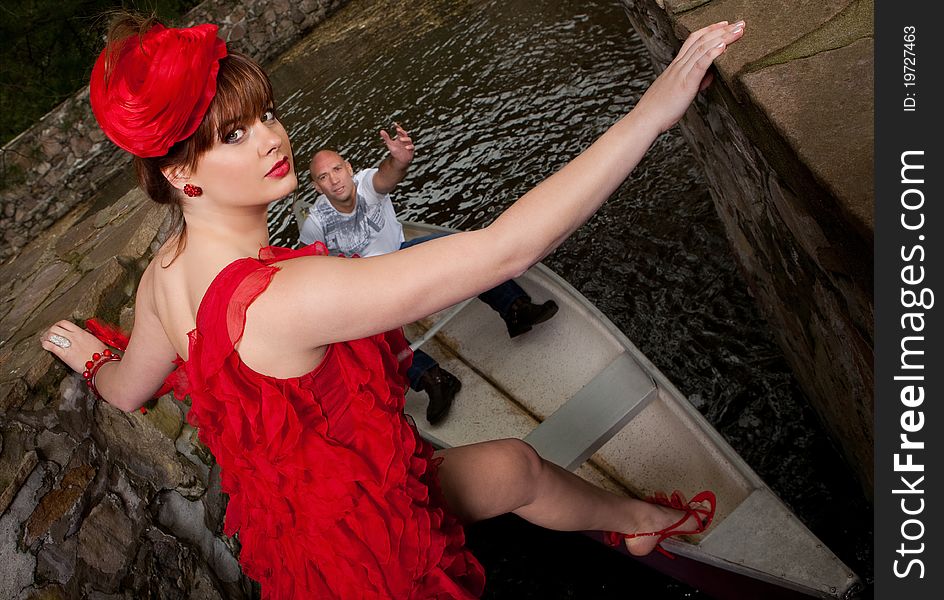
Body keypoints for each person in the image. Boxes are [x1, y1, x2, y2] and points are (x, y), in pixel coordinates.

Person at [42, 12, 744, 600]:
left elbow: (129, 387)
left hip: (314, 533)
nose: (271, 139)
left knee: (515, 468)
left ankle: (637, 519)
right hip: (373, 559)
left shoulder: (164, 276)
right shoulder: (284, 296)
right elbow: (502, 252)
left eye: (267, 114)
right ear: (178, 171)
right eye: (233, 134)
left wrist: (94, 357)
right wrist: (651, 114)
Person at [300, 128, 559, 425]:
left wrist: (400, 160)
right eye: (323, 177)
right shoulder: (315, 224)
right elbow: (316, 272)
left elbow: (388, 174)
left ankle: (515, 309)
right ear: (317, 187)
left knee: (462, 250)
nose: (334, 180)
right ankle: (434, 378)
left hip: (402, 254)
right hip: (368, 285)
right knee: (361, 334)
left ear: (348, 168)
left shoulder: (366, 184)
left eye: (337, 170)